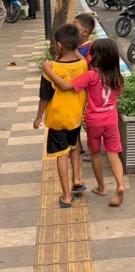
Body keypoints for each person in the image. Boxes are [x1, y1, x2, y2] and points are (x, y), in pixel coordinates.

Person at [43, 39, 126, 207]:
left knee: (95, 153)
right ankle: (120, 185)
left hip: (94, 121)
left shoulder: (91, 76)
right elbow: (119, 94)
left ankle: (102, 187)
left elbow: (66, 86)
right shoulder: (117, 77)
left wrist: (49, 71)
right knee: (113, 153)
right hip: (111, 120)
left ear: (96, 56)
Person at [33, 24, 88, 208]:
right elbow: (80, 59)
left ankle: (66, 196)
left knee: (61, 155)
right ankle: (77, 179)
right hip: (75, 117)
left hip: (58, 119)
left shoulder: (51, 69)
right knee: (74, 148)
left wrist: (38, 117)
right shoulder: (83, 65)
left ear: (58, 44)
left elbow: (44, 97)